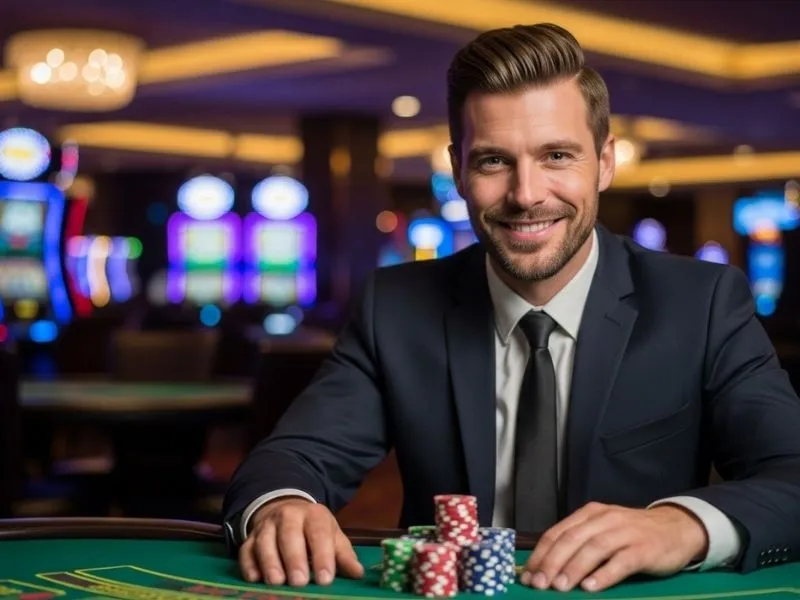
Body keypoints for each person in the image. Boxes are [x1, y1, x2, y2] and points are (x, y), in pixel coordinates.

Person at [223, 23, 800, 593]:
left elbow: (793, 475)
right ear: (458, 169)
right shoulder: (395, 307)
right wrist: (282, 506)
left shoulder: (701, 303)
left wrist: (681, 526)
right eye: (494, 161)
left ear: (604, 162)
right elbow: (291, 459)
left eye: (557, 156)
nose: (526, 195)